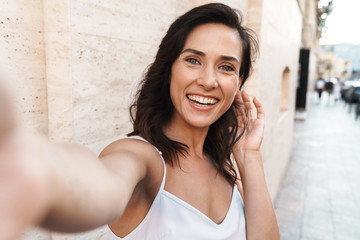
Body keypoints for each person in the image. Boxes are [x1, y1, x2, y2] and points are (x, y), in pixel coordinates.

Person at [0, 3, 279, 240]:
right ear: (169, 70)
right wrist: (45, 175)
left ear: (239, 82)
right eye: (193, 60)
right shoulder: (142, 158)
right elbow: (104, 186)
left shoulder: (228, 171)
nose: (208, 80)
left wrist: (249, 156)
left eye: (226, 67)